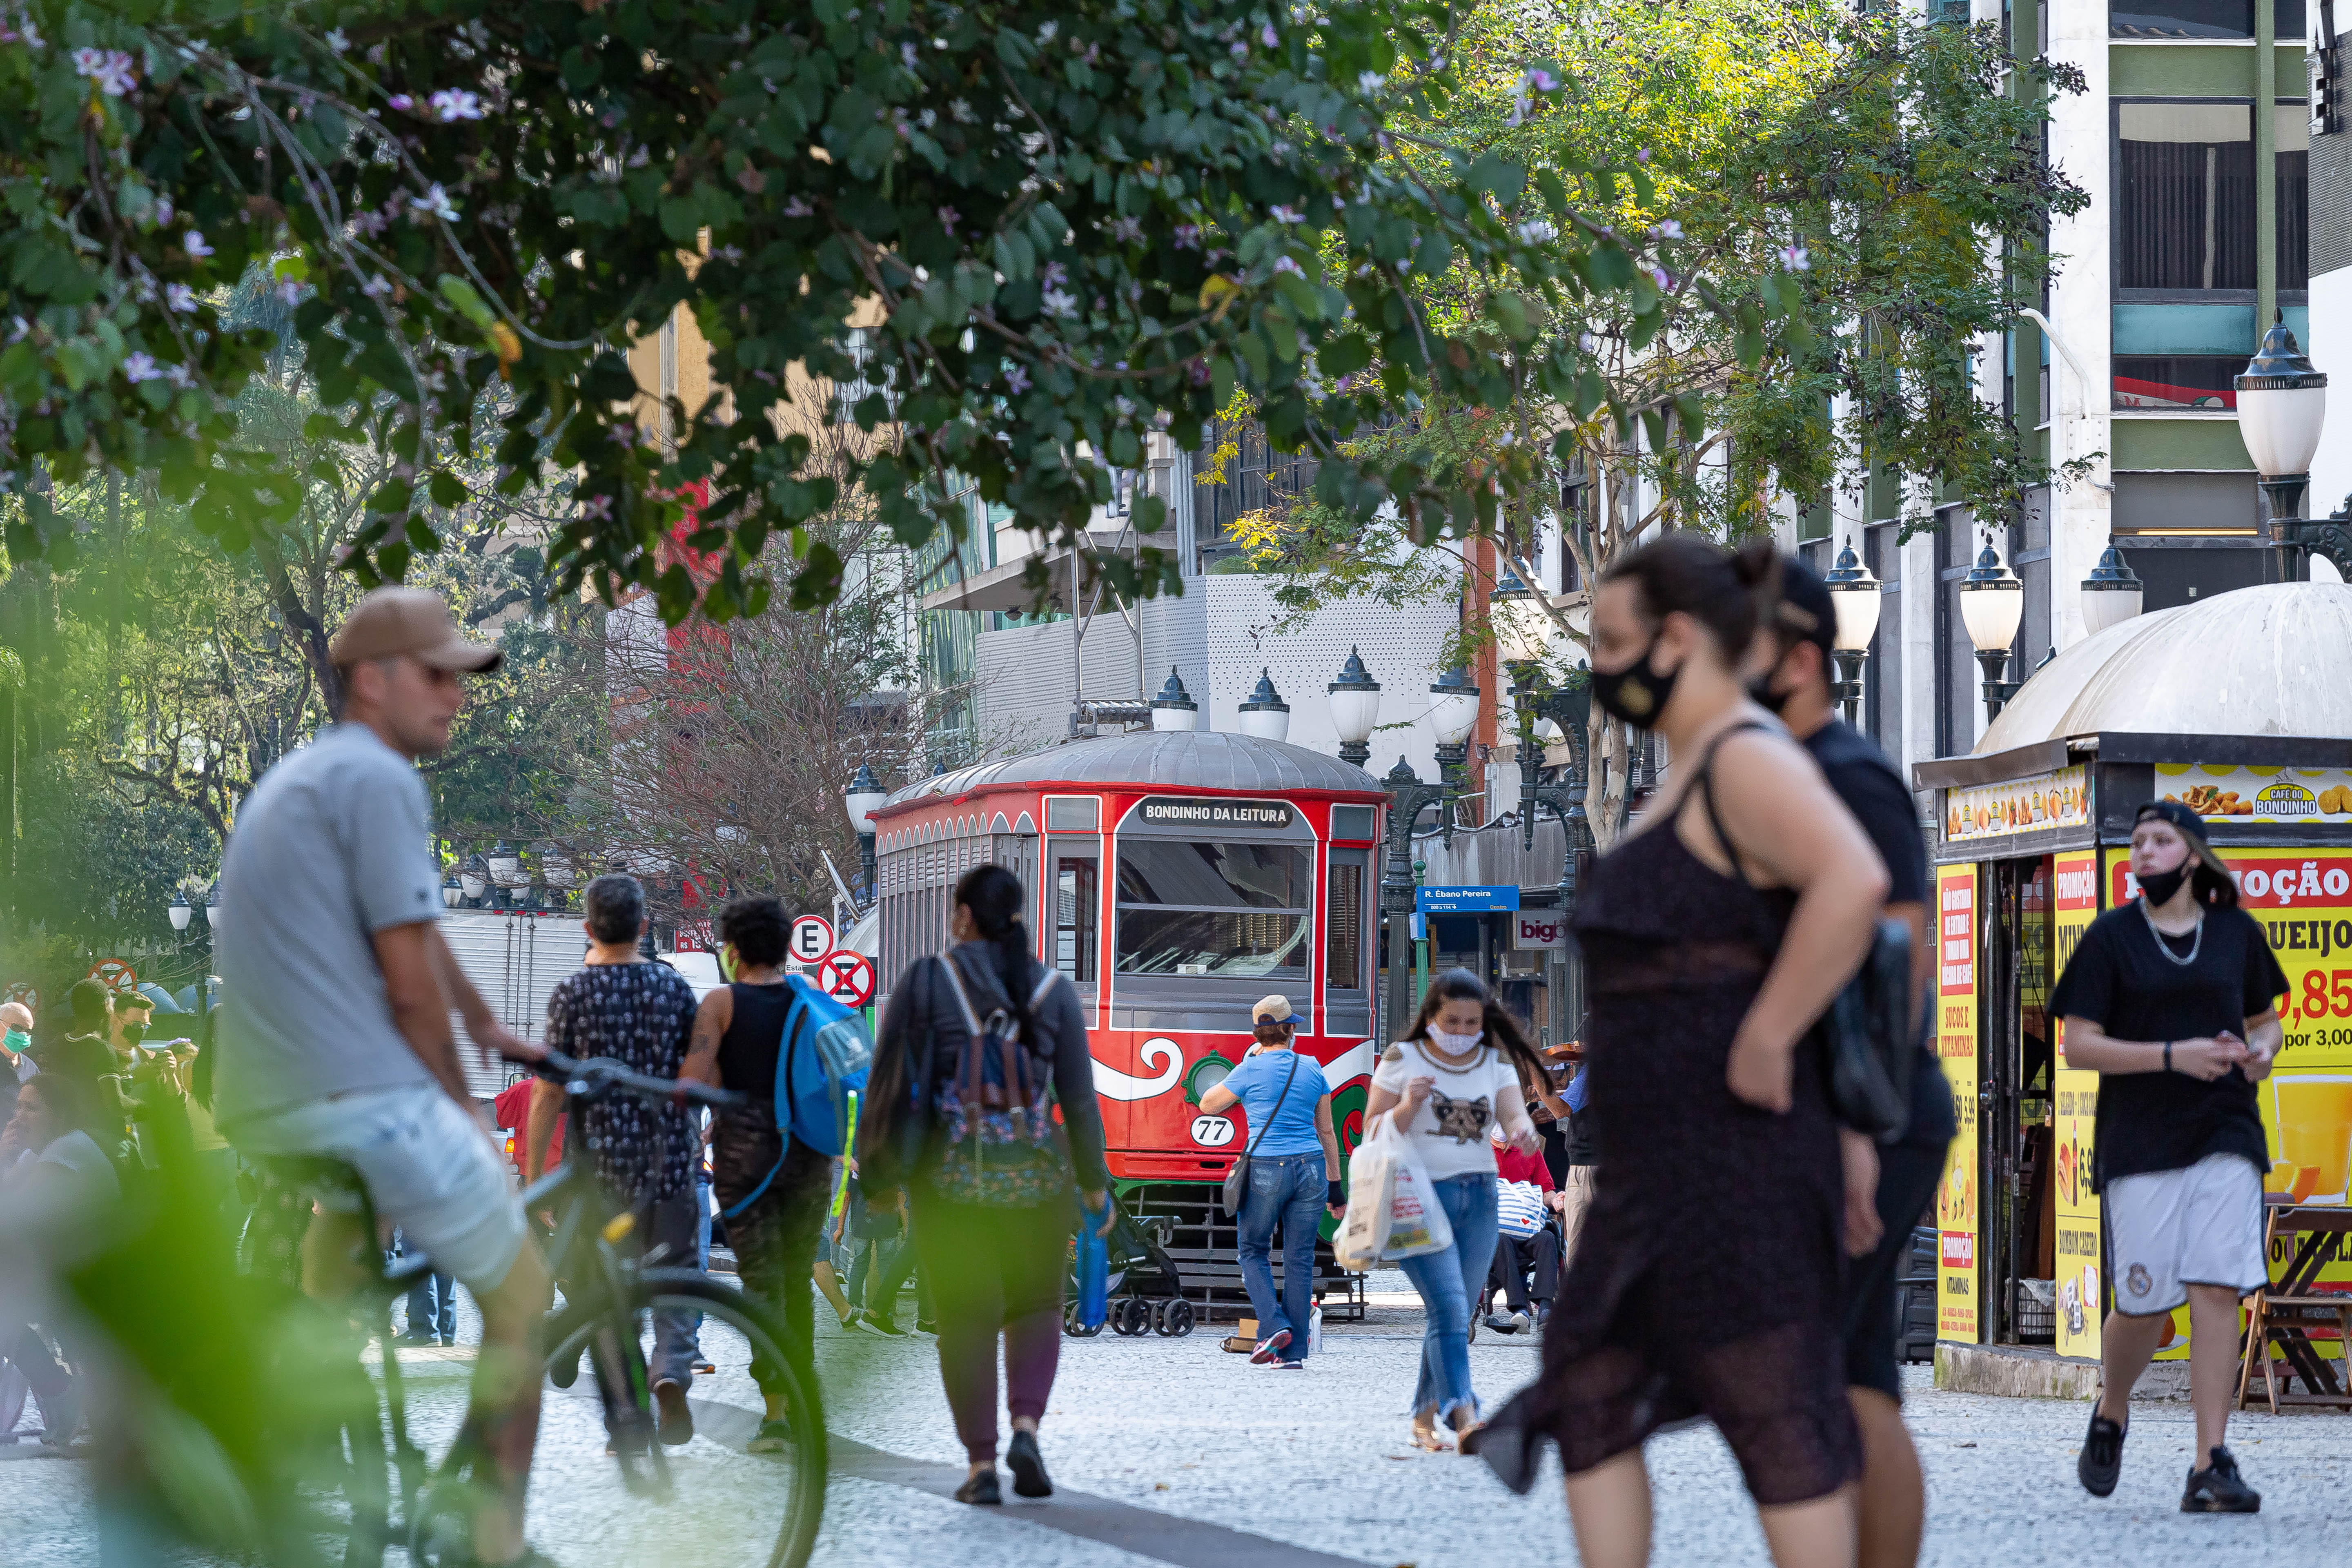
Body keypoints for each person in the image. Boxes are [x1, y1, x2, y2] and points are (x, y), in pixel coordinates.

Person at [1486, 534, 1890, 1568]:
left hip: (1731, 1154)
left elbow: (1849, 882)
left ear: (1674, 636)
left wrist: (1766, 1034)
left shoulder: (1743, 756)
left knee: (1771, 1404)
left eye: (1611, 641)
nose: (1601, 666)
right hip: (1663, 1161)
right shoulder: (1698, 764)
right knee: (1587, 1378)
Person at [211, 587, 549, 1568]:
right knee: (526, 1293)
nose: (457, 694)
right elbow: (407, 991)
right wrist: (466, 1114)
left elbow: (413, 930)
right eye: (438, 673)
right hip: (360, 1096)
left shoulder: (312, 777)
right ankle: (492, 1537)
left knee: (337, 1290)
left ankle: (321, 1467)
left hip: (274, 1100)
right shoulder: (380, 781)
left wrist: (487, 1021)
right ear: (372, 679)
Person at [1751, 552, 1956, 1568]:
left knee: (1831, 1371)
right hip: (1839, 1110)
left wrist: (1853, 1126)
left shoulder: (1843, 774)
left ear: (1793, 657)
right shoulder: (1782, 772)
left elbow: (1894, 960)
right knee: (1852, 1369)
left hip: (1865, 1109)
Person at [857, 864, 1111, 1506]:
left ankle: (980, 1465)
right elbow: (1079, 1101)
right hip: (1038, 1184)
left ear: (964, 916)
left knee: (966, 1320)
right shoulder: (1052, 991)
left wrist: (880, 1176)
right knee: (1036, 1307)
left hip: (950, 1187)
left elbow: (889, 1082)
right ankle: (1027, 1427)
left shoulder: (928, 981)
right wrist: (1092, 1187)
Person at [2054, 800, 2283, 1513]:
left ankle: (2210, 1462)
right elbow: (2078, 1043)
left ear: (2192, 855)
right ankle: (2112, 1408)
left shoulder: (2235, 935)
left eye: (2159, 841)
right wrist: (2171, 1056)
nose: (2142, 852)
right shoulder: (2111, 939)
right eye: (2136, 843)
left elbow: (2265, 1019)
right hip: (2141, 1138)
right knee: (2148, 1302)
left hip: (2225, 1127)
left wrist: (2262, 1054)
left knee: (2217, 1283)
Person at [530, 872, 702, 1440]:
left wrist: (536, 1181)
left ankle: (628, 1414)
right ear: (644, 927)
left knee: (611, 1294)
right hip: (671, 1162)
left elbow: (549, 1093)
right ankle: (671, 1370)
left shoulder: (573, 993)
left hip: (602, 1171)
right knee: (676, 1274)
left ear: (588, 929)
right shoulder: (674, 990)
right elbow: (698, 1074)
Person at [1366, 968, 1548, 1452]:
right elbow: (1371, 1131)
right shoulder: (1401, 1058)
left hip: (1480, 1197)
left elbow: (1512, 1114)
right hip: (1415, 1199)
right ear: (1431, 1015)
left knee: (1455, 1309)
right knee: (1448, 1306)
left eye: (1472, 1023)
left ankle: (1424, 1417)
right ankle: (1465, 1414)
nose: (1462, 1032)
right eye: (1453, 1021)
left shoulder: (1495, 1063)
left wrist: (1521, 1132)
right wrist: (1408, 1105)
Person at [680, 896, 837, 1455]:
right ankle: (801, 1398)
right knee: (796, 1281)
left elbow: (693, 1086)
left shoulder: (721, 1004)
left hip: (747, 1160)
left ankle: (776, 1412)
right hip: (812, 1157)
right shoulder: (813, 1001)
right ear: (786, 946)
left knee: (763, 1283)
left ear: (733, 949)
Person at [1197, 994, 1345, 1368]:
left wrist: (1248, 1063)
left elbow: (1208, 1105)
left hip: (1265, 1167)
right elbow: (1327, 1132)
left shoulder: (1248, 1069)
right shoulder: (1312, 1068)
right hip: (1311, 1168)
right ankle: (1293, 1355)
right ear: (1291, 1029)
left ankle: (1275, 1325)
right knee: (1300, 1259)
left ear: (1257, 1034)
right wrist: (1336, 1187)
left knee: (1252, 1251)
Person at [0, 1070, 122, 1446]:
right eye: (19, 1106)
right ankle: (60, 1392)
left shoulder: (69, 1149)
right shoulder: (41, 1153)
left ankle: (61, 1392)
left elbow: (13, 1215)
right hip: (66, 1271)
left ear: (59, 1115)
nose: (20, 1116)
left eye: (32, 1108)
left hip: (96, 1276)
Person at [1483, 1128, 1562, 1335]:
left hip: (1528, 1228)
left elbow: (1546, 1190)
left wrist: (1555, 1200)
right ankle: (1519, 1308)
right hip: (1498, 1229)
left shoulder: (1528, 1150)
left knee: (1548, 1237)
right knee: (1499, 1240)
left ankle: (1545, 1306)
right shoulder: (1481, 1151)